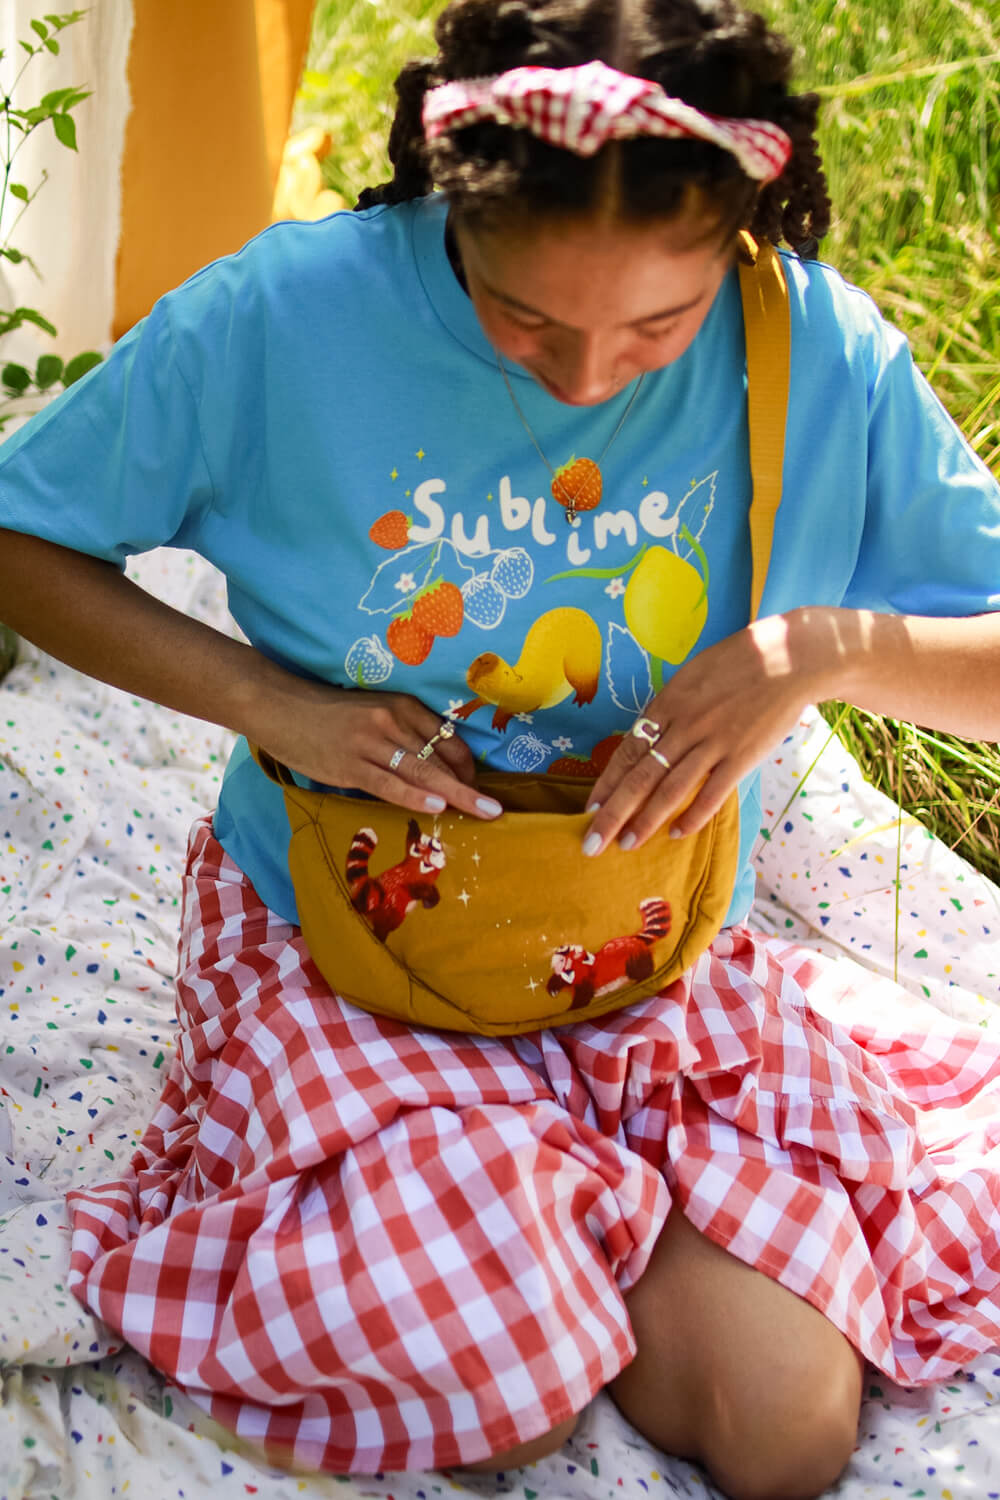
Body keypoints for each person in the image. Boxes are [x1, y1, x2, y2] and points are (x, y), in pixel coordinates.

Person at [1, 1, 999, 1496]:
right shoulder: (287, 317)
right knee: (499, 1380)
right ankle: (521, 1211)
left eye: (656, 333)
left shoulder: (813, 350)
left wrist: (823, 652)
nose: (589, 376)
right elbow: (23, 535)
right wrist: (275, 705)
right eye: (524, 322)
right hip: (353, 942)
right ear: (451, 200)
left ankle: (573, 1191)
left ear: (740, 234)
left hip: (648, 952)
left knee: (787, 1430)